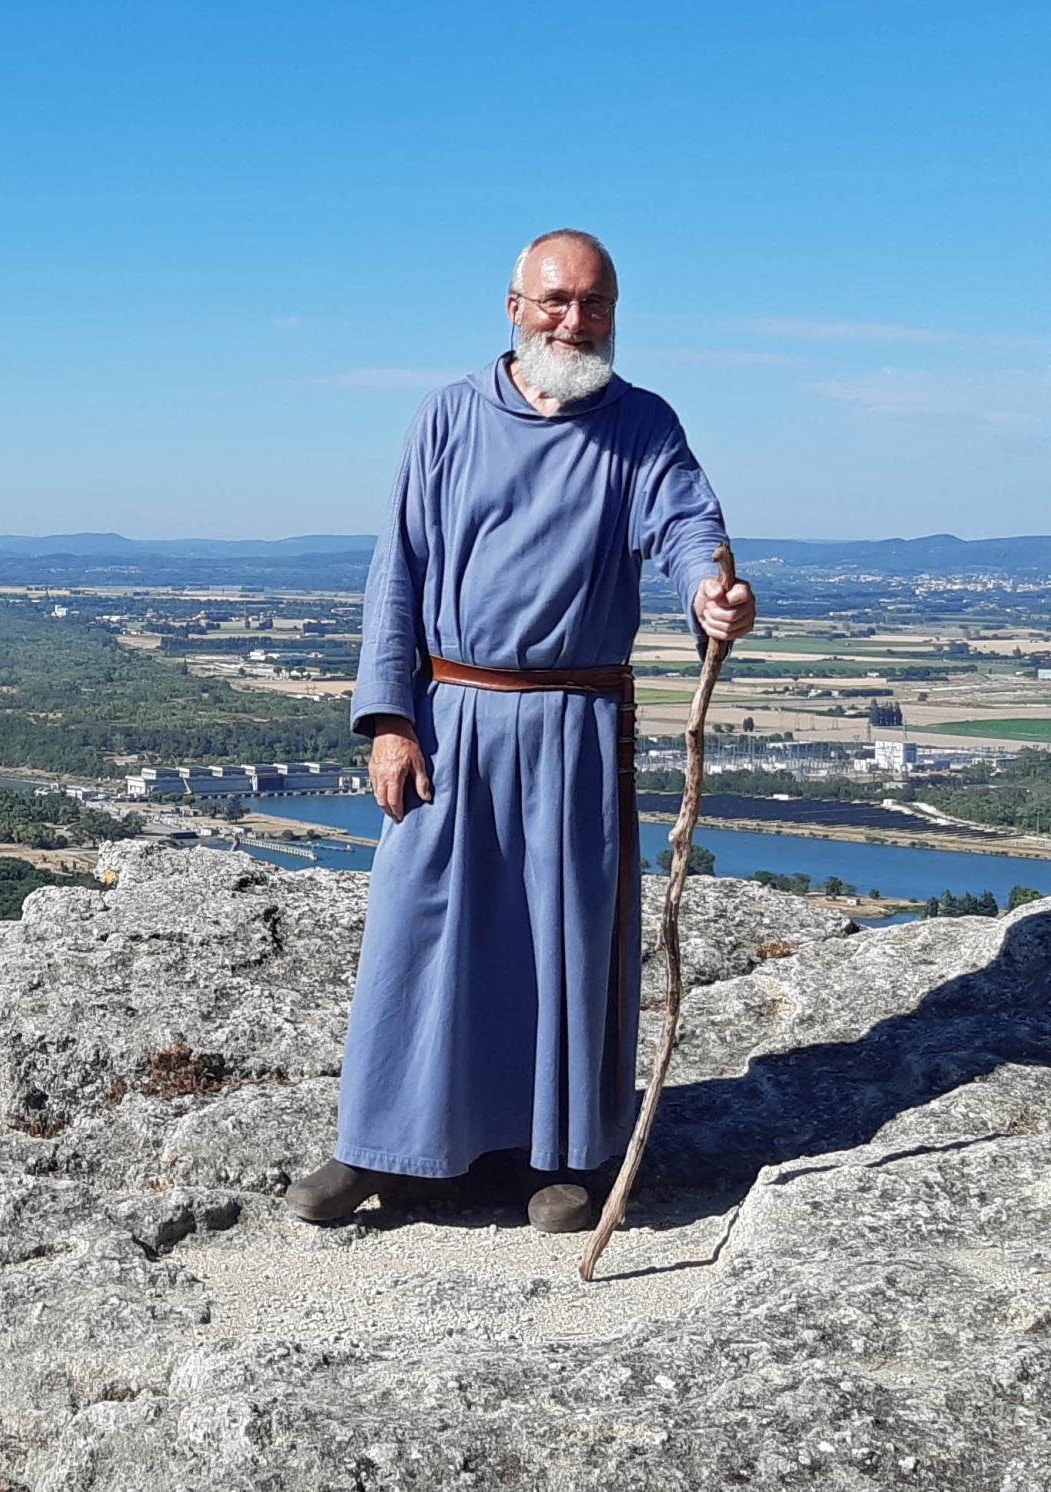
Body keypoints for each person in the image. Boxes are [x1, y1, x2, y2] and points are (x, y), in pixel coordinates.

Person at [287, 229, 756, 1232]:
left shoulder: (641, 424)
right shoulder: (447, 417)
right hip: (450, 718)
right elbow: (396, 576)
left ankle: (562, 1158)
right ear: (513, 307)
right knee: (420, 932)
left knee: (565, 940)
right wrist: (389, 721)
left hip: (575, 725)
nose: (574, 322)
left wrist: (711, 587)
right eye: (555, 301)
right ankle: (387, 1146)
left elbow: (682, 524)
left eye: (593, 304)